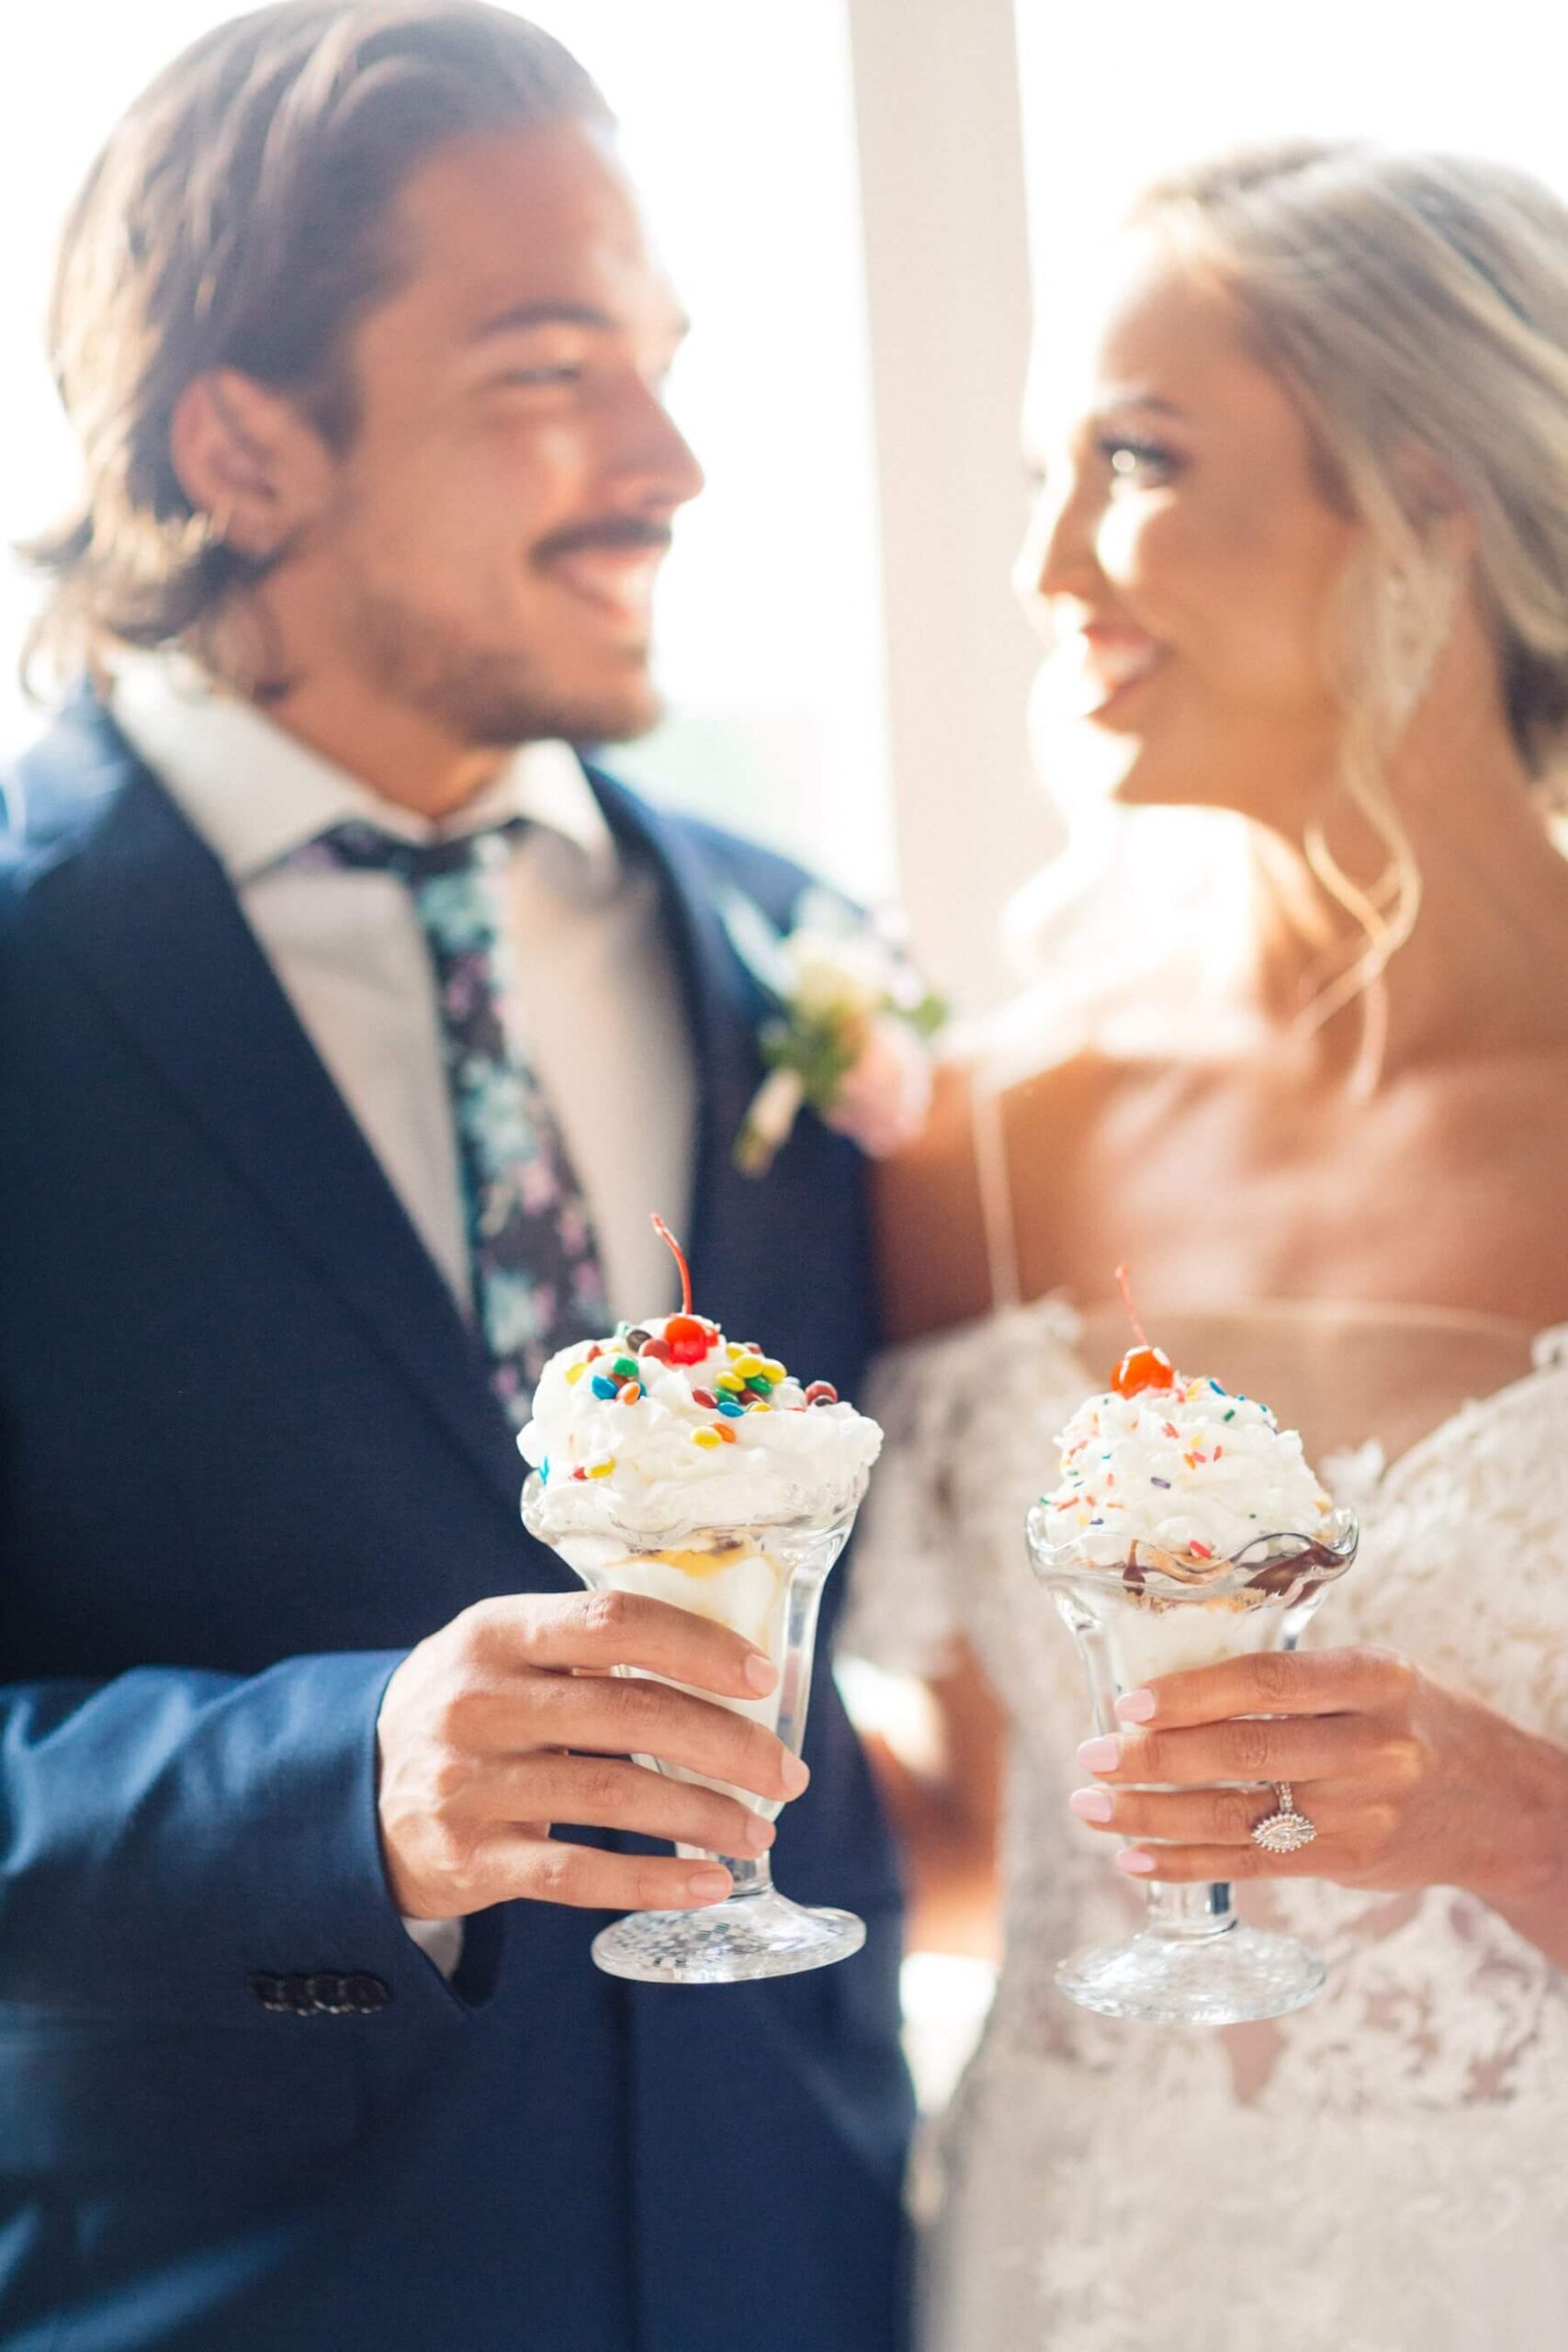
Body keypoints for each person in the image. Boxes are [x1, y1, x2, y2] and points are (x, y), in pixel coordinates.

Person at [0, 8, 912, 2348]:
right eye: (547, 369)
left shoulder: (788, 952)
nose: (671, 459)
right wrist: (344, 1788)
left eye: (667, 363)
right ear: (245, 441)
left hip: (797, 2268)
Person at [847, 140, 1568, 2352]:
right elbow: (976, 1836)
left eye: (1134, 463)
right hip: (1063, 2268)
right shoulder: (983, 1145)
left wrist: (1506, 1812)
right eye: (1042, 473)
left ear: (1429, 505)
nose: (1047, 560)